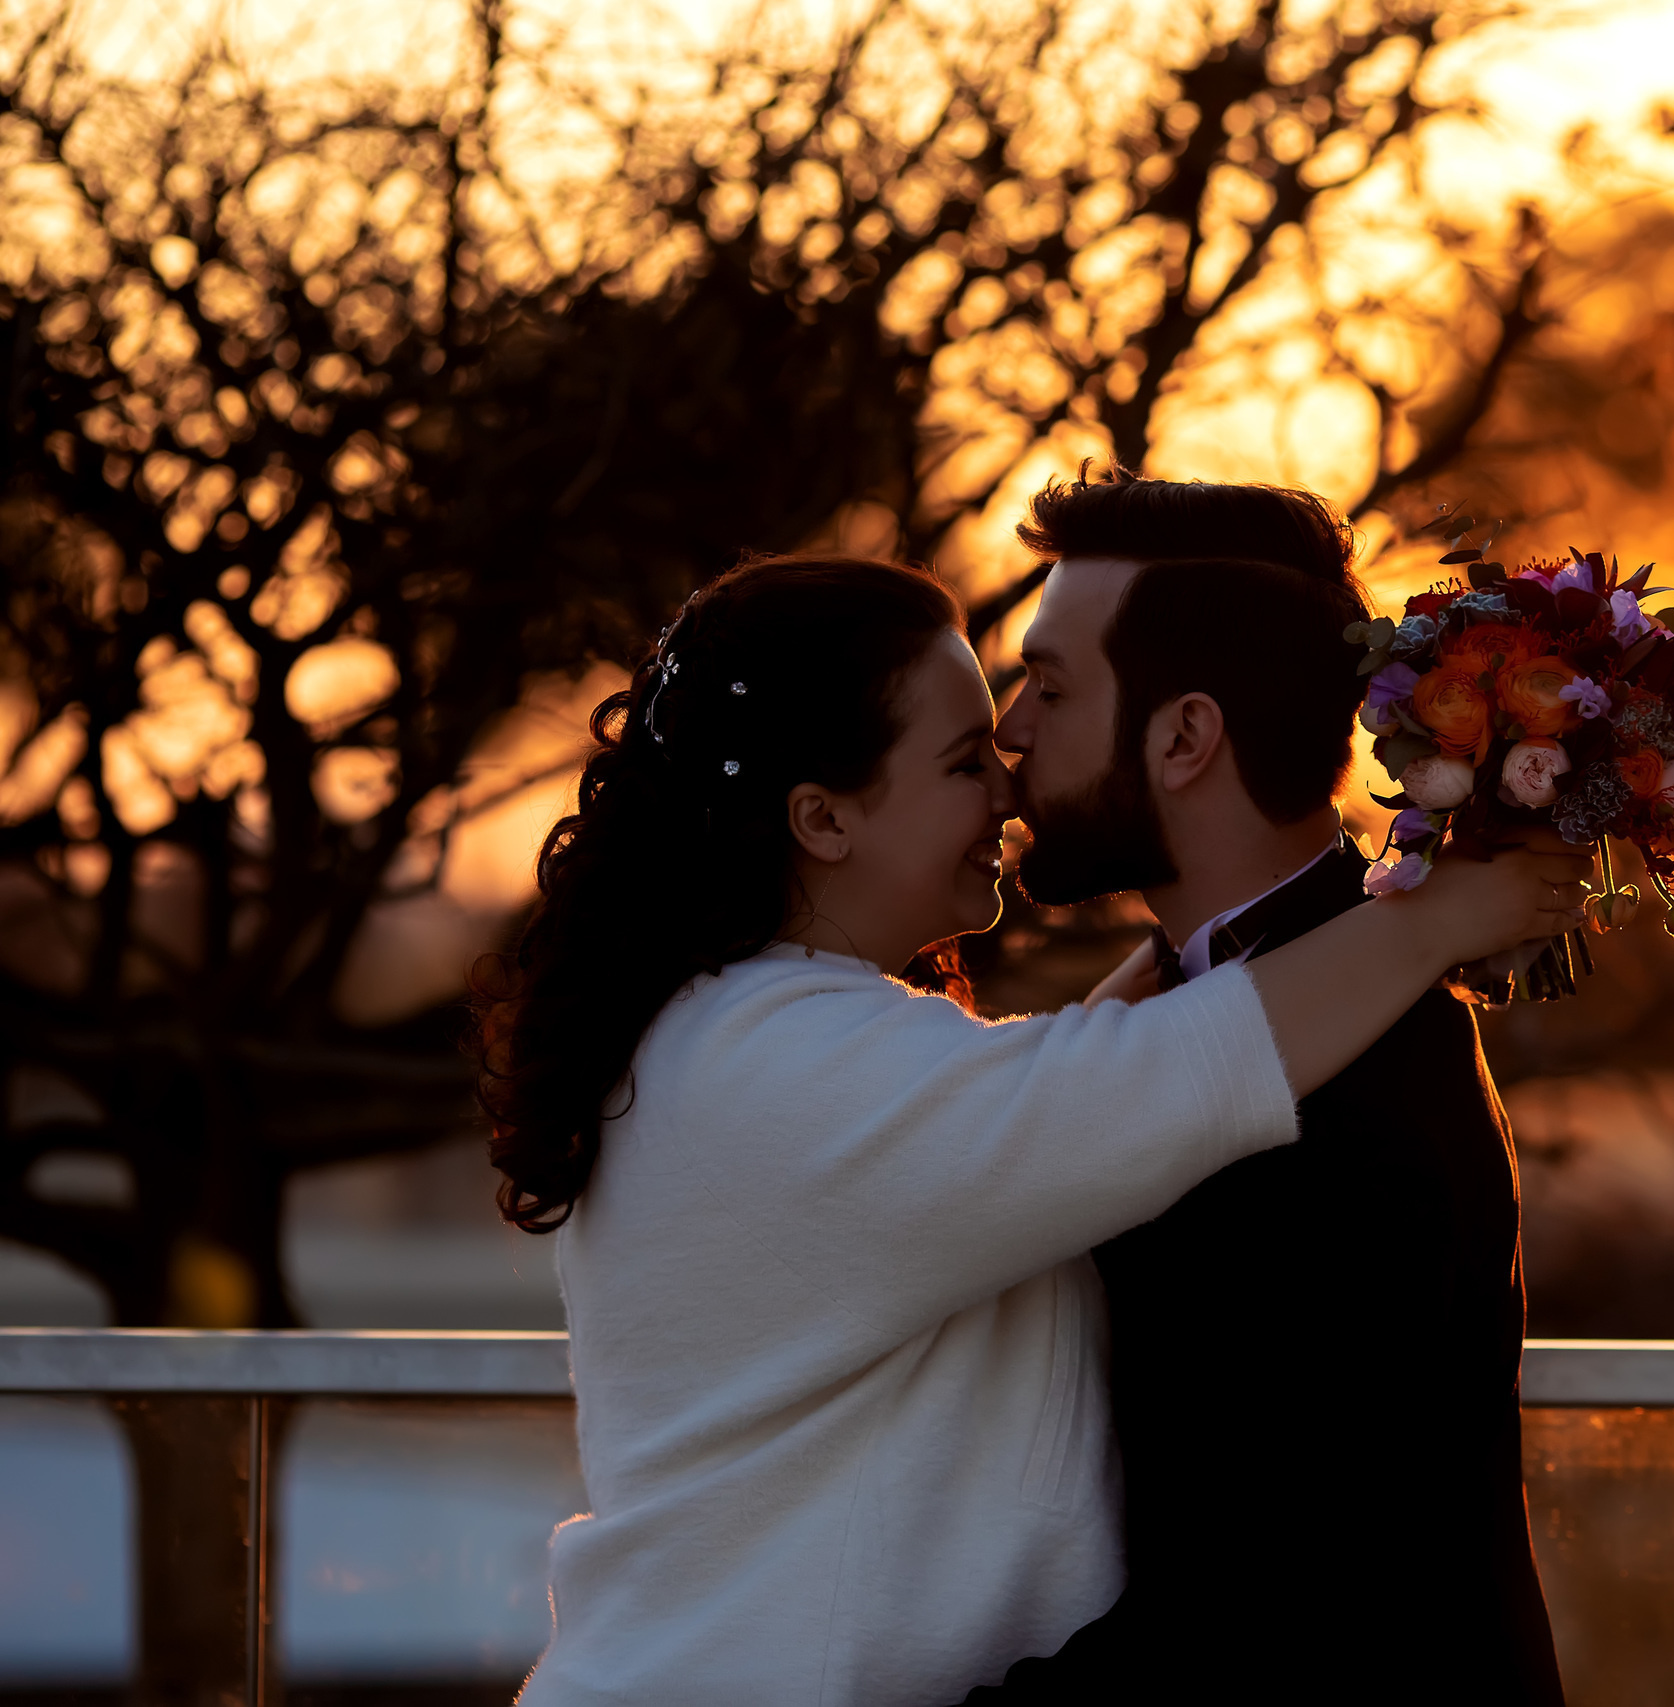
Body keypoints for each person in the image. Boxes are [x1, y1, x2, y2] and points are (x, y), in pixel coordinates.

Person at [471, 553, 1585, 1706]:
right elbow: (1137, 1085)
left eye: (1034, 702)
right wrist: (1439, 914)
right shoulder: (781, 1070)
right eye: (962, 762)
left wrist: (1208, 925)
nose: (1006, 778)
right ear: (821, 818)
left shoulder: (743, 1038)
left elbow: (1061, 1095)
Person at [969, 470, 1572, 1704]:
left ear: (1186, 736)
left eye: (1053, 683)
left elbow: (1275, 1616)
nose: (1013, 729)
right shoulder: (1293, 984)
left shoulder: (1350, 1106)